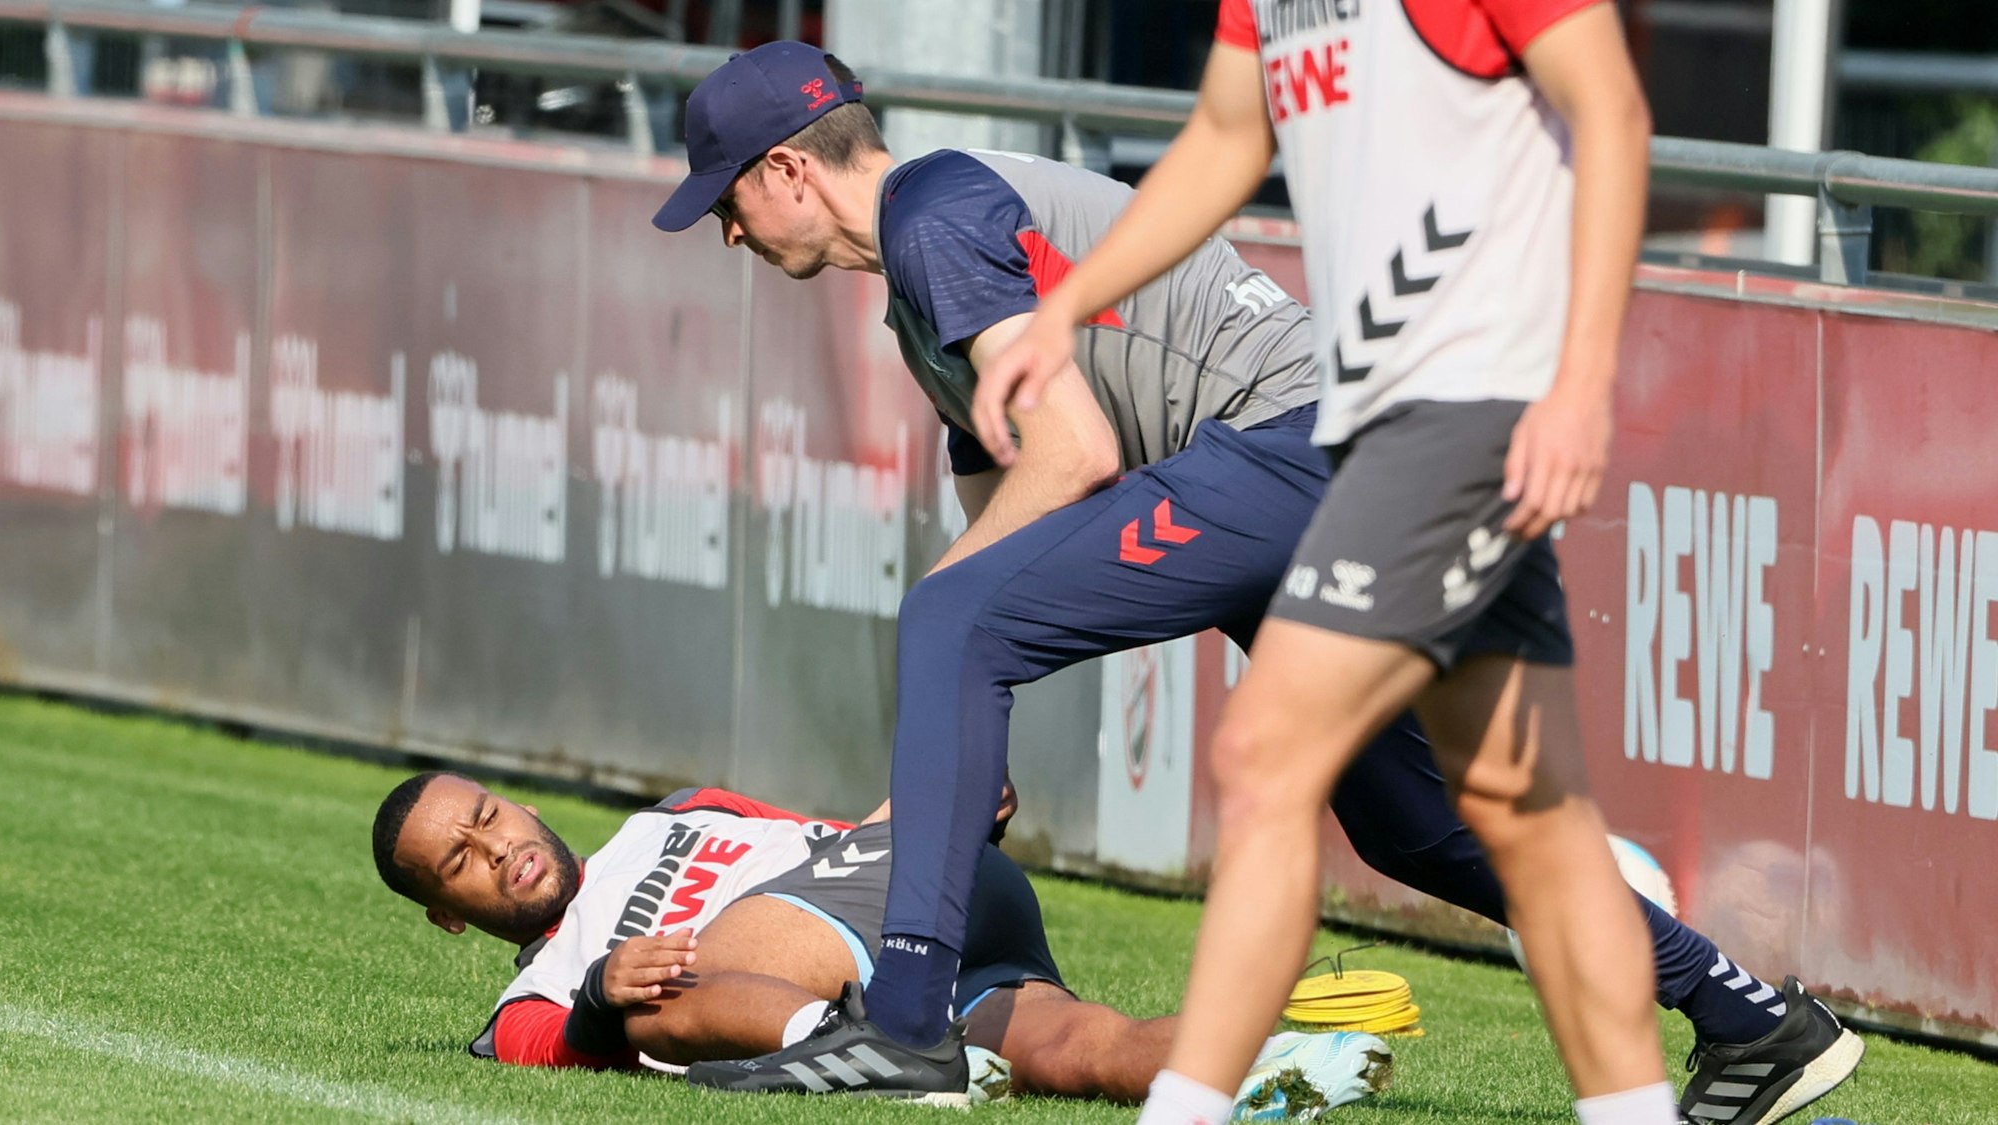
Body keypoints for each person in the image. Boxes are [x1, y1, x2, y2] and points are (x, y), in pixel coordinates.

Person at [648, 41, 1860, 1122]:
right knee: (1415, 826)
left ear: (786, 172)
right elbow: (1001, 521)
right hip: (1320, 455)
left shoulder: (932, 218)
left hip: (1292, 449)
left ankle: (905, 1025)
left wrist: (953, 647)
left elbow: (1069, 458)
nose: (733, 237)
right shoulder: (927, 282)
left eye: (726, 206)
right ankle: (1752, 1019)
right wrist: (958, 742)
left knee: (946, 612)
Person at [370, 771, 1392, 1115]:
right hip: (942, 948)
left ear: (519, 805)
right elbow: (528, 1045)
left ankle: (864, 1053)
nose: (494, 847)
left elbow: (834, 844)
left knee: (673, 990)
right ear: (447, 916)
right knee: (1078, 1051)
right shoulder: (538, 988)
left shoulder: (672, 816)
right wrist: (594, 996)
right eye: (458, 860)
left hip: (894, 892)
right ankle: (1279, 1054)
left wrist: (923, 804)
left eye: (487, 817)